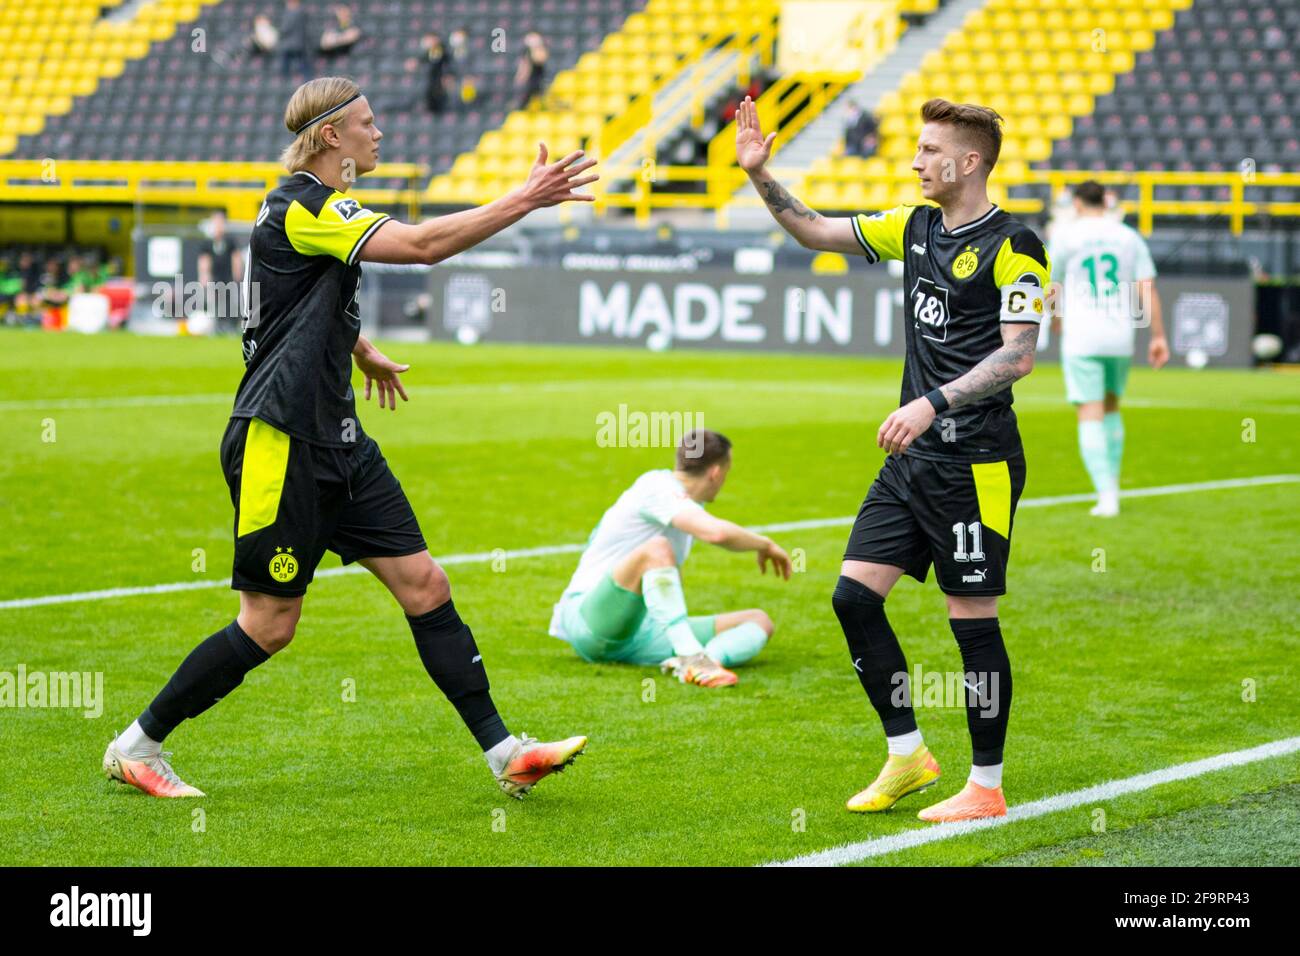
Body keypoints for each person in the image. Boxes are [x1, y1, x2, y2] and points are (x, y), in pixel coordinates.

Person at [102, 76, 600, 801]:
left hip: (338, 438)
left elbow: (298, 296)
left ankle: (506, 755)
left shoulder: (319, 212)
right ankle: (136, 745)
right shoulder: (303, 204)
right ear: (332, 135)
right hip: (282, 440)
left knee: (425, 584)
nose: (380, 134)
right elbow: (424, 245)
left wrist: (359, 349)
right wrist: (524, 200)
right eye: (367, 123)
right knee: (270, 625)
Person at [739, 95, 1050, 822]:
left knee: (970, 618)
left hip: (976, 463)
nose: (914, 161)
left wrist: (932, 403)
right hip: (912, 461)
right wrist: (760, 174)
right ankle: (908, 753)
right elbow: (814, 232)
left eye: (929, 150)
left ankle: (986, 785)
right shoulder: (911, 227)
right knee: (852, 597)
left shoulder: (1017, 244)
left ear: (968, 162)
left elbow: (1021, 354)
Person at [549, 431, 792, 688]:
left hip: (640, 634)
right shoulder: (655, 486)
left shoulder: (688, 504)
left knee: (758, 620)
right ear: (716, 473)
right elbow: (715, 532)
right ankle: (690, 656)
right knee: (657, 549)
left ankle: (705, 662)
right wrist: (765, 544)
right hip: (590, 622)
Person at [1049, 180, 1168, 517]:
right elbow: (1147, 288)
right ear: (1106, 202)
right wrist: (1158, 336)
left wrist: (1055, 319)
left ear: (1076, 204)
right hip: (1120, 335)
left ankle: (1106, 495)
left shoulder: (1066, 237)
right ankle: (1112, 485)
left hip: (1083, 334)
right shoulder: (1128, 236)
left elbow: (1051, 285)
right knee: (1112, 407)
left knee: (1089, 410)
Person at [197, 209, 245, 334]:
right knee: (214, 305)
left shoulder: (230, 241)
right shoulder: (207, 243)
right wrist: (204, 277)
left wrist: (236, 276)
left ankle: (233, 327)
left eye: (220, 222)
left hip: (228, 278)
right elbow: (204, 262)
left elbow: (236, 259)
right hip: (215, 279)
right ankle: (215, 328)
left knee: (233, 303)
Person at [514, 32, 548, 110]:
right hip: (530, 82)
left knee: (539, 100)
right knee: (525, 102)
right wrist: (520, 77)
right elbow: (524, 66)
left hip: (538, 80)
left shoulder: (540, 50)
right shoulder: (526, 52)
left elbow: (540, 59)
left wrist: (535, 47)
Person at [277, 0, 310, 80]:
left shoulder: (291, 13)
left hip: (290, 44)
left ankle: (284, 81)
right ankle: (308, 82)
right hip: (300, 43)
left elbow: (285, 29)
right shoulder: (302, 12)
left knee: (286, 67)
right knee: (303, 65)